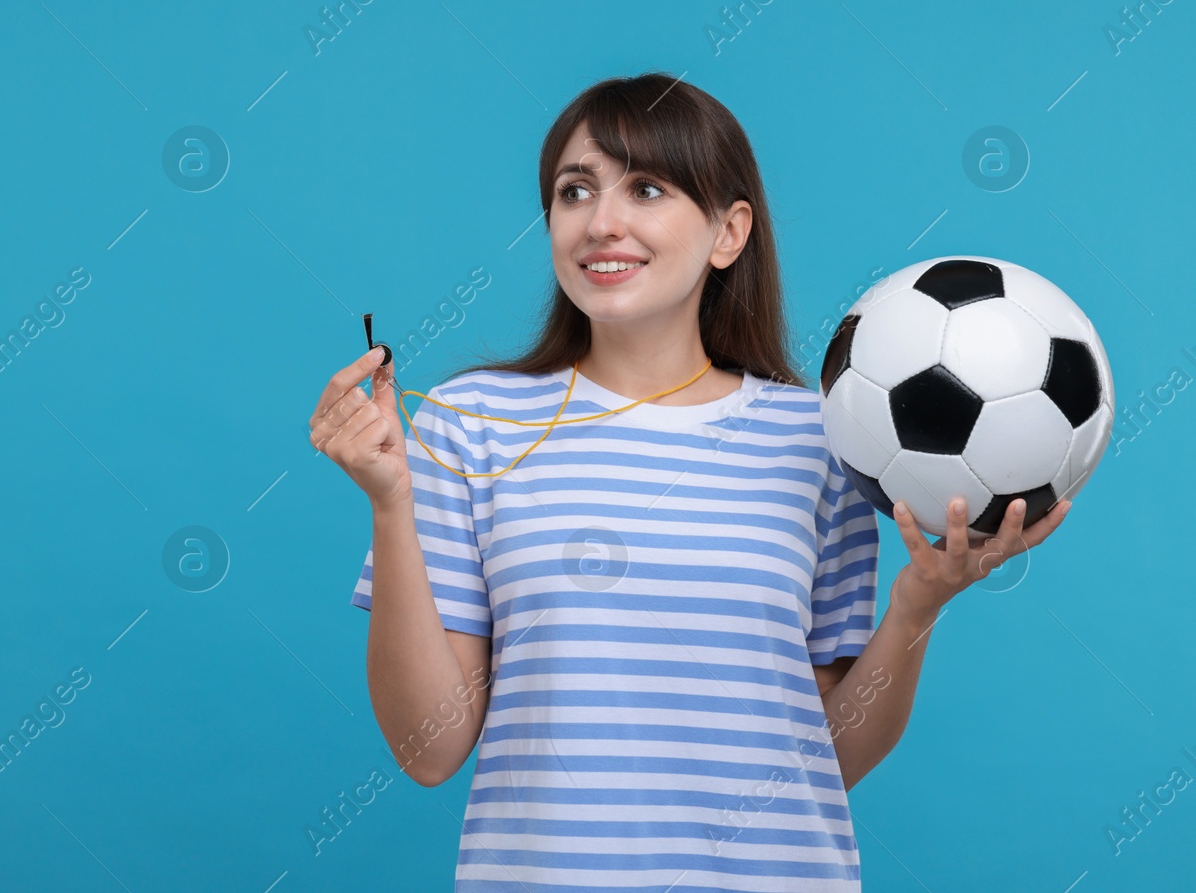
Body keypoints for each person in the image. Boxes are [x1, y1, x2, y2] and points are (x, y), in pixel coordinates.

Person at [307, 72, 1072, 891]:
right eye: (575, 191)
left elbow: (825, 763)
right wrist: (391, 502)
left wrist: (918, 605)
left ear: (728, 232)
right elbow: (430, 748)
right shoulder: (471, 421)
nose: (602, 223)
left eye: (645, 187)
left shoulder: (822, 439)